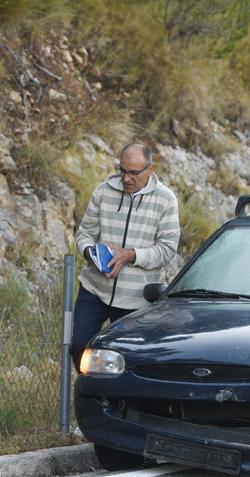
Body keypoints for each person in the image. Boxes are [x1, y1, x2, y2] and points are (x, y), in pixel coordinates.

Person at [70, 143, 180, 370]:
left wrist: (131, 255)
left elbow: (167, 250)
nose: (126, 178)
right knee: (80, 347)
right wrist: (90, 253)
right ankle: (91, 398)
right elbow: (85, 234)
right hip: (94, 289)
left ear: (150, 170)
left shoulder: (166, 199)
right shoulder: (103, 191)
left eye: (133, 172)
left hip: (136, 299)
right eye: (122, 170)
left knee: (129, 361)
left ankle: (118, 404)